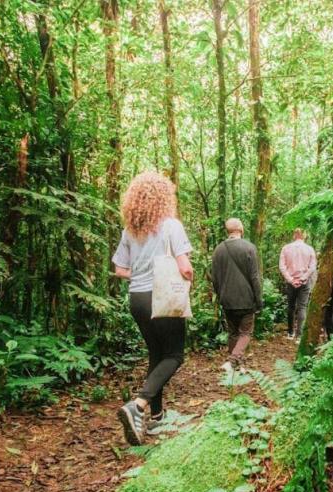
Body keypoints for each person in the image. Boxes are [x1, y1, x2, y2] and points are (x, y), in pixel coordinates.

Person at [112, 172, 193, 446]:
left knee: (157, 354)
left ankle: (157, 417)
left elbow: (120, 269)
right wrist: (189, 278)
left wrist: (140, 273)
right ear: (164, 197)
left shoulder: (130, 231)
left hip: (137, 298)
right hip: (163, 296)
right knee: (175, 355)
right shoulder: (171, 226)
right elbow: (184, 267)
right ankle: (138, 405)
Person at [211, 218, 262, 372]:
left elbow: (215, 278)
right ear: (241, 228)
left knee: (233, 333)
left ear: (228, 230)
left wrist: (220, 296)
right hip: (246, 298)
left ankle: (236, 367)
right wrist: (258, 299)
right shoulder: (249, 248)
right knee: (245, 333)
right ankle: (232, 361)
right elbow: (255, 277)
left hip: (227, 299)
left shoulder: (218, 250)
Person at [279, 228, 317, 340]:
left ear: (294, 235)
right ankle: (299, 336)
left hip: (290, 282)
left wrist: (291, 279)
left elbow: (282, 266)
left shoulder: (286, 248)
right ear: (304, 235)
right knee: (302, 307)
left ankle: (290, 333)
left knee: (291, 307)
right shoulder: (309, 249)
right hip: (304, 283)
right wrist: (302, 278)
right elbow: (312, 267)